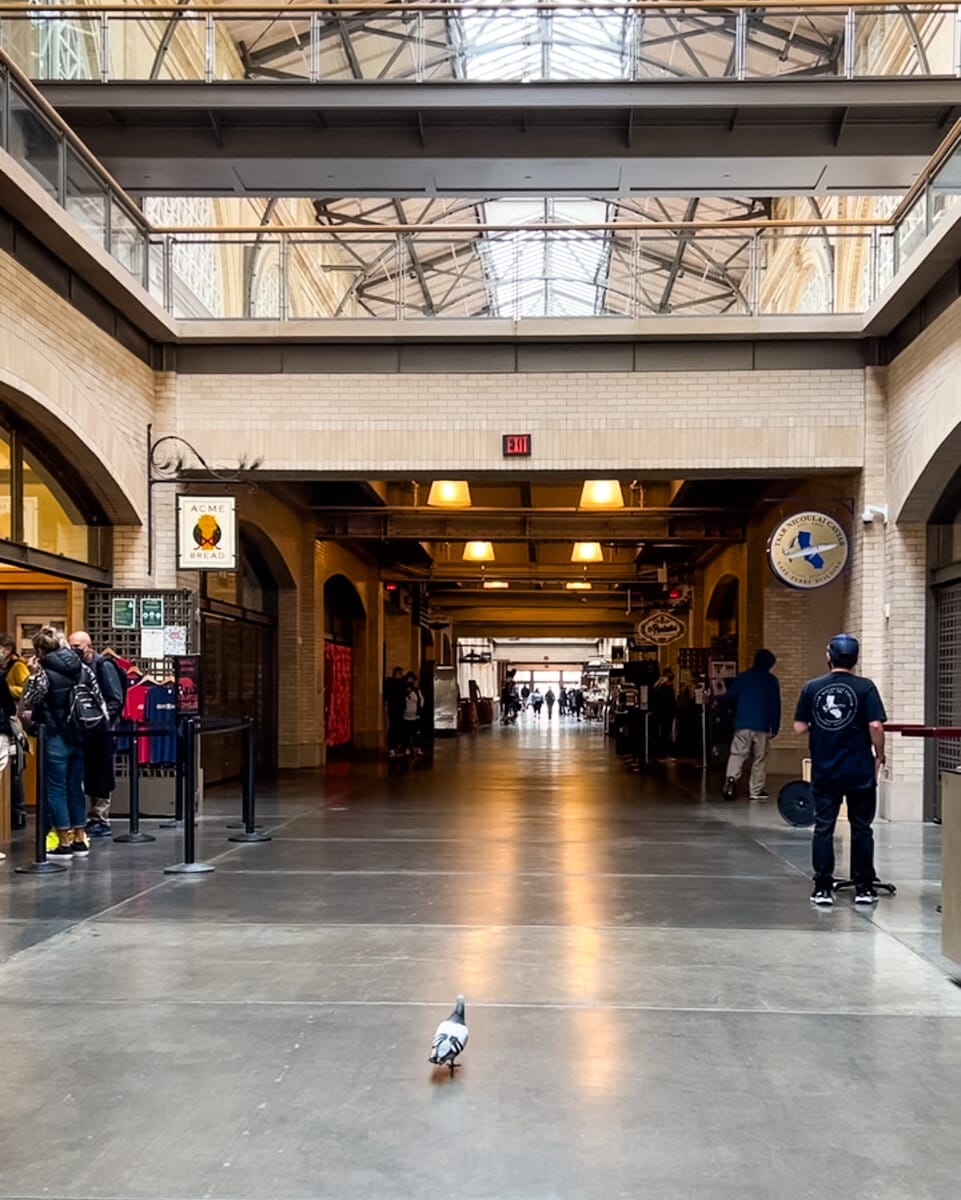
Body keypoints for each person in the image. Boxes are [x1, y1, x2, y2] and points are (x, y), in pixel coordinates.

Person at [794, 633, 887, 907]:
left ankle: (823, 888)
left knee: (823, 827)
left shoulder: (812, 687)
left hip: (825, 770)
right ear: (855, 659)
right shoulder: (866, 688)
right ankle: (864, 887)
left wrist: (819, 731)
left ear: (829, 656)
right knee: (861, 828)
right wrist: (879, 755)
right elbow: (876, 726)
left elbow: (800, 726)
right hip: (859, 771)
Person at [19, 626, 105, 860]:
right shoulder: (82, 667)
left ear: (39, 650)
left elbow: (30, 701)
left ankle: (63, 840)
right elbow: (98, 697)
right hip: (79, 734)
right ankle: (80, 837)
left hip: (55, 735)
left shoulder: (44, 671)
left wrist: (33, 674)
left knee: (56, 789)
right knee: (75, 786)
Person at [68, 631, 125, 837]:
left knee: (100, 773)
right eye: (71, 645)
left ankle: (100, 817)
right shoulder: (74, 667)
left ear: (89, 646)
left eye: (77, 646)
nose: (74, 650)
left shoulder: (103, 666)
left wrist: (100, 720)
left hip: (101, 730)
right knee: (88, 773)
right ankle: (88, 817)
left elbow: (116, 699)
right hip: (82, 729)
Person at [722, 649, 781, 801]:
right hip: (762, 724)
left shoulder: (743, 677)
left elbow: (729, 697)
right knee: (759, 758)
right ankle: (756, 790)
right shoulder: (771, 680)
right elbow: (775, 705)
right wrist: (774, 726)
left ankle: (730, 780)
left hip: (742, 723)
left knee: (738, 754)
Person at [0, 633, 30, 830]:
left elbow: (26, 687)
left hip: (11, 720)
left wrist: (9, 688)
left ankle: (16, 812)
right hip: (6, 720)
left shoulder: (18, 667)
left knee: (13, 770)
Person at [650, 667, 677, 761]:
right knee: (665, 734)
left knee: (662, 734)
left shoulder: (657, 685)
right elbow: (671, 702)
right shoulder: (667, 688)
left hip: (660, 713)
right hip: (667, 714)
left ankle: (661, 754)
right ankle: (663, 755)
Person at [385, 665, 406, 757]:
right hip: (394, 709)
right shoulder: (392, 684)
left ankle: (397, 748)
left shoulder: (400, 684)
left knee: (399, 729)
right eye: (400, 674)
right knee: (393, 728)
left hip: (399, 709)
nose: (401, 676)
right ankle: (392, 748)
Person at [402, 672, 424, 755]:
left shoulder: (418, 691)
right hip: (407, 715)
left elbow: (421, 701)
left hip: (416, 716)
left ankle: (417, 747)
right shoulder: (406, 691)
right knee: (407, 733)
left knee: (417, 733)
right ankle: (407, 748)